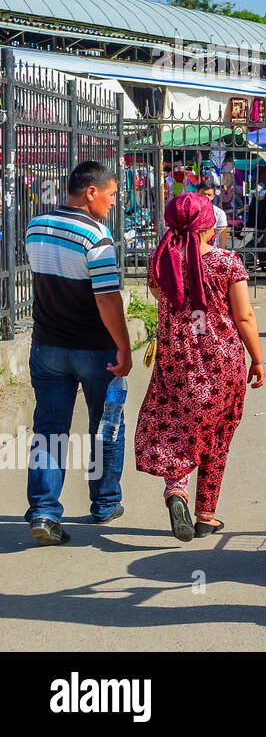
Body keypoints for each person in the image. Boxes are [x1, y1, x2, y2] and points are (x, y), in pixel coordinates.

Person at [135, 193, 264, 541]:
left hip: (175, 359)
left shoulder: (159, 261)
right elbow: (244, 315)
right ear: (210, 226)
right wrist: (258, 359)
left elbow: (163, 298)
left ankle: (176, 489)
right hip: (221, 360)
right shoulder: (227, 262)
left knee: (174, 425)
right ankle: (206, 514)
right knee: (217, 432)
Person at [23, 161, 132, 546]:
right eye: (112, 195)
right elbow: (106, 299)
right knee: (106, 426)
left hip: (46, 347)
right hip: (94, 350)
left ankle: (44, 512)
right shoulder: (97, 238)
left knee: (48, 431)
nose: (114, 202)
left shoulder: (35, 227)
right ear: (91, 193)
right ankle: (104, 503)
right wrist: (123, 346)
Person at [197, 181, 228, 249]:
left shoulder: (219, 213)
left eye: (209, 195)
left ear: (213, 196)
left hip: (211, 251)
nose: (206, 197)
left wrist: (219, 254)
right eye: (203, 194)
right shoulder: (190, 210)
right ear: (197, 193)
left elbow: (222, 237)